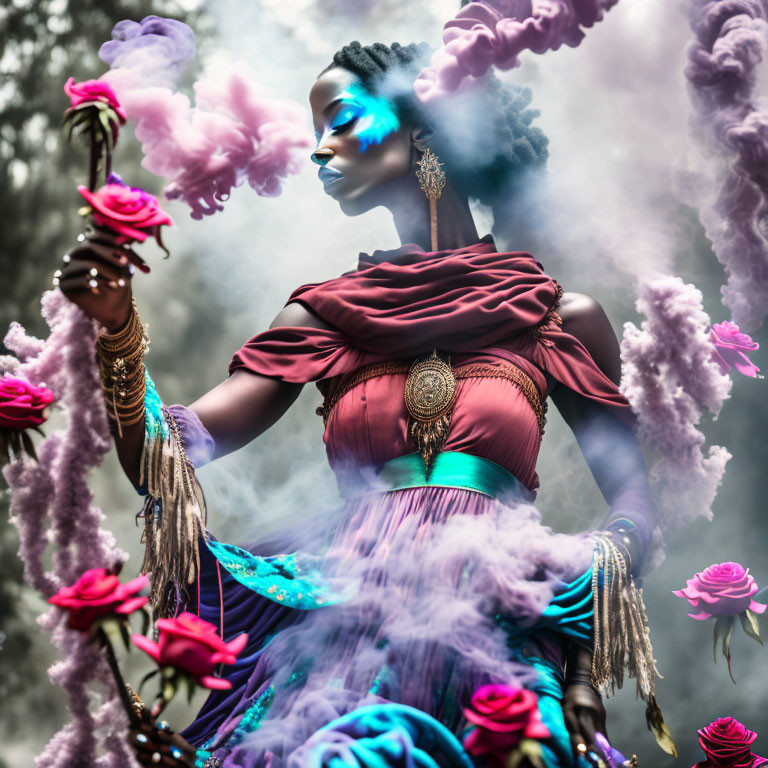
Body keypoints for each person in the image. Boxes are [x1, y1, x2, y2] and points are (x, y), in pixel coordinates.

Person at [57, 41, 658, 768]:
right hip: (339, 635)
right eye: (316, 131)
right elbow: (170, 455)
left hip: (497, 621)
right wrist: (119, 330)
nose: (320, 149)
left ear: (420, 125)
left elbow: (632, 499)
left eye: (341, 121)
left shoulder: (559, 317)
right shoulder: (324, 319)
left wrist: (583, 585)